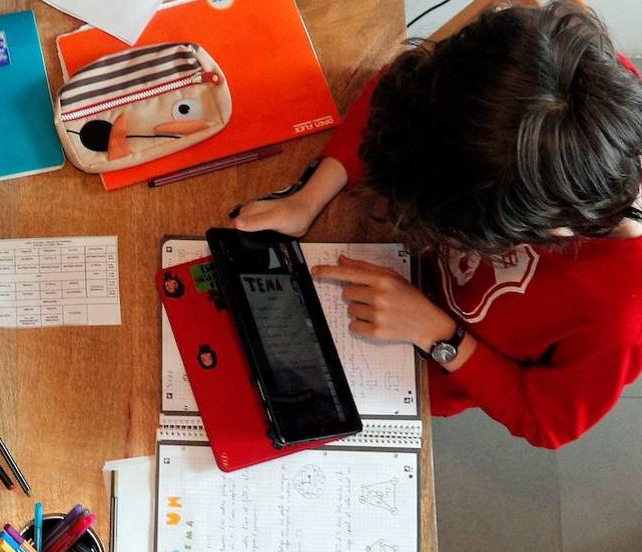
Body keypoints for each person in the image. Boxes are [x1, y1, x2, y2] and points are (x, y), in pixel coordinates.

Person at [233, 1, 642, 449]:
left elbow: (545, 422)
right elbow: (408, 98)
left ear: (552, 233)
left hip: (419, 366)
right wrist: (311, 195)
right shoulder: (570, 82)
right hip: (385, 280)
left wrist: (437, 334)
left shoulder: (622, 320)